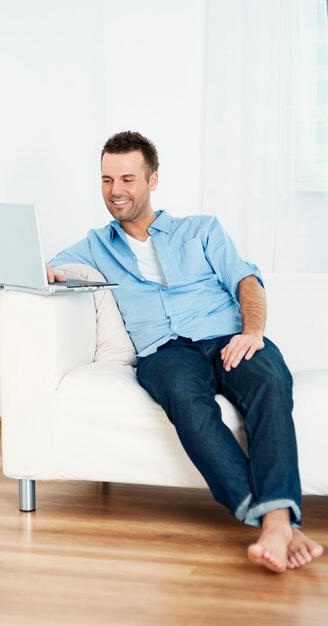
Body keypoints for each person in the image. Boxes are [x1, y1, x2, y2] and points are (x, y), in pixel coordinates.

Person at [47, 131, 323, 573]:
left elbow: (245, 281)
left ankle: (275, 523)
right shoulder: (94, 245)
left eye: (127, 179)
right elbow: (50, 269)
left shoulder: (202, 229)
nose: (115, 191)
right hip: (165, 351)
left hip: (227, 336)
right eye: (106, 180)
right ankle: (277, 523)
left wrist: (252, 332)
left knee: (271, 382)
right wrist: (35, 269)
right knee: (185, 400)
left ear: (152, 180)